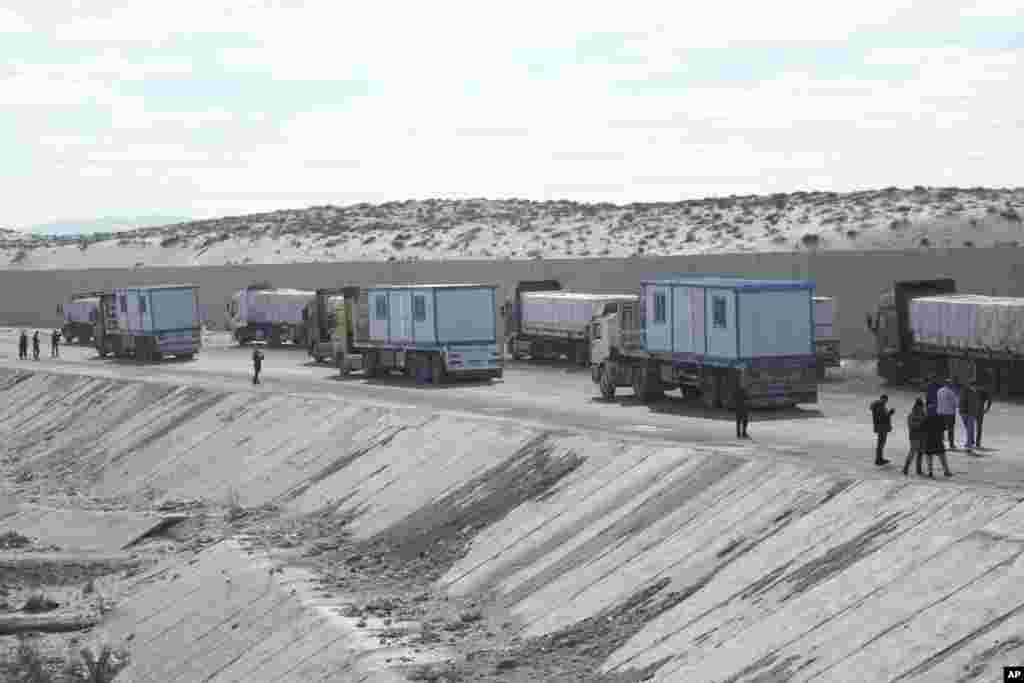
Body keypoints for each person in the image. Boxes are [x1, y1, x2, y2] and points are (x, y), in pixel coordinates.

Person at [923, 411, 953, 477]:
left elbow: (922, 429)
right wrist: (942, 438)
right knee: (942, 455)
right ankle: (946, 471)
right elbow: (943, 429)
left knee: (929, 455)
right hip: (937, 439)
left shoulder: (926, 417)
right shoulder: (940, 418)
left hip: (929, 440)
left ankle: (930, 471)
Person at [903, 397, 927, 476]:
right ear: (917, 406)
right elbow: (911, 425)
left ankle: (918, 469)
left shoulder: (923, 413)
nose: (921, 408)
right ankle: (905, 468)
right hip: (914, 436)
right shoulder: (912, 414)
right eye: (920, 406)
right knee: (912, 452)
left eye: (922, 406)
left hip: (922, 436)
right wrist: (920, 423)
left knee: (920, 452)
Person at [870, 394, 895, 465]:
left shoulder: (880, 406)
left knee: (881, 443)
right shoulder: (879, 406)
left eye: (886, 400)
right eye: (884, 400)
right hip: (881, 427)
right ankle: (879, 459)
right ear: (881, 399)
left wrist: (889, 414)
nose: (885, 402)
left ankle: (879, 458)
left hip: (882, 427)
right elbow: (882, 418)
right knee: (881, 443)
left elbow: (883, 416)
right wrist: (890, 413)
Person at [936, 378, 958, 450]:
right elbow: (955, 403)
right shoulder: (951, 392)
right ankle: (951, 445)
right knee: (950, 430)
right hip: (949, 413)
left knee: (940, 430)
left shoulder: (939, 391)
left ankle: (939, 444)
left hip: (940, 412)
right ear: (949, 384)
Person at [976, 384, 993, 448]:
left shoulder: (982, 392)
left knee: (978, 427)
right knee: (977, 427)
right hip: (975, 411)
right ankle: (973, 442)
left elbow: (989, 400)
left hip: (978, 411)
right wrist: (987, 409)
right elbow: (989, 400)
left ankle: (976, 442)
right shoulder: (981, 392)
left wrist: (987, 409)